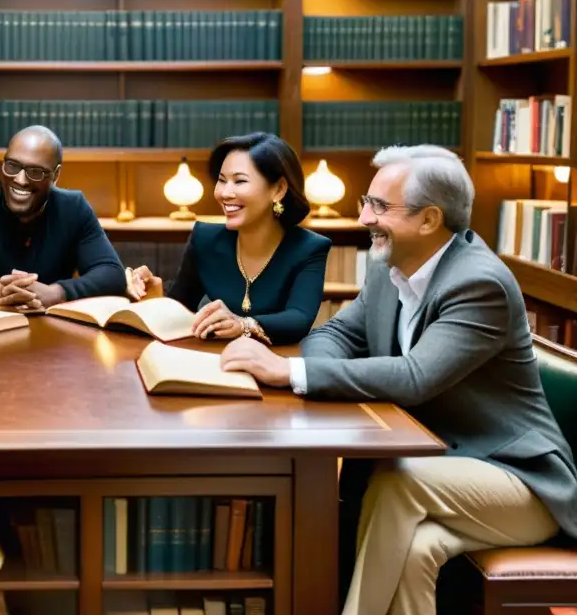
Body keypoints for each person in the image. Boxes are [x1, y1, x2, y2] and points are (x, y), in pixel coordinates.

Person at [217, 144, 577, 615]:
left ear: (429, 220)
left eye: (379, 206)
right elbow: (333, 333)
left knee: (394, 483)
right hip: (444, 466)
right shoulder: (389, 267)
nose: (365, 217)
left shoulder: (478, 283)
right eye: (366, 202)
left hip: (521, 482)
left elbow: (416, 377)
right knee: (417, 548)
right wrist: (312, 368)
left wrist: (289, 372)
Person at [126, 132, 331, 346]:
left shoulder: (309, 248)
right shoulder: (204, 238)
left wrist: (243, 325)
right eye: (221, 181)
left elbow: (299, 318)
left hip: (277, 363)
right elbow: (180, 307)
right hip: (214, 362)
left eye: (239, 181)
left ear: (278, 189)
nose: (224, 192)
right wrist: (153, 294)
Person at [0, 125, 128, 311]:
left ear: (56, 175)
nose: (20, 180)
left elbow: (112, 274)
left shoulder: (74, 207)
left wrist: (56, 293)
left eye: (35, 171)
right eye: (12, 166)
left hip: (52, 328)